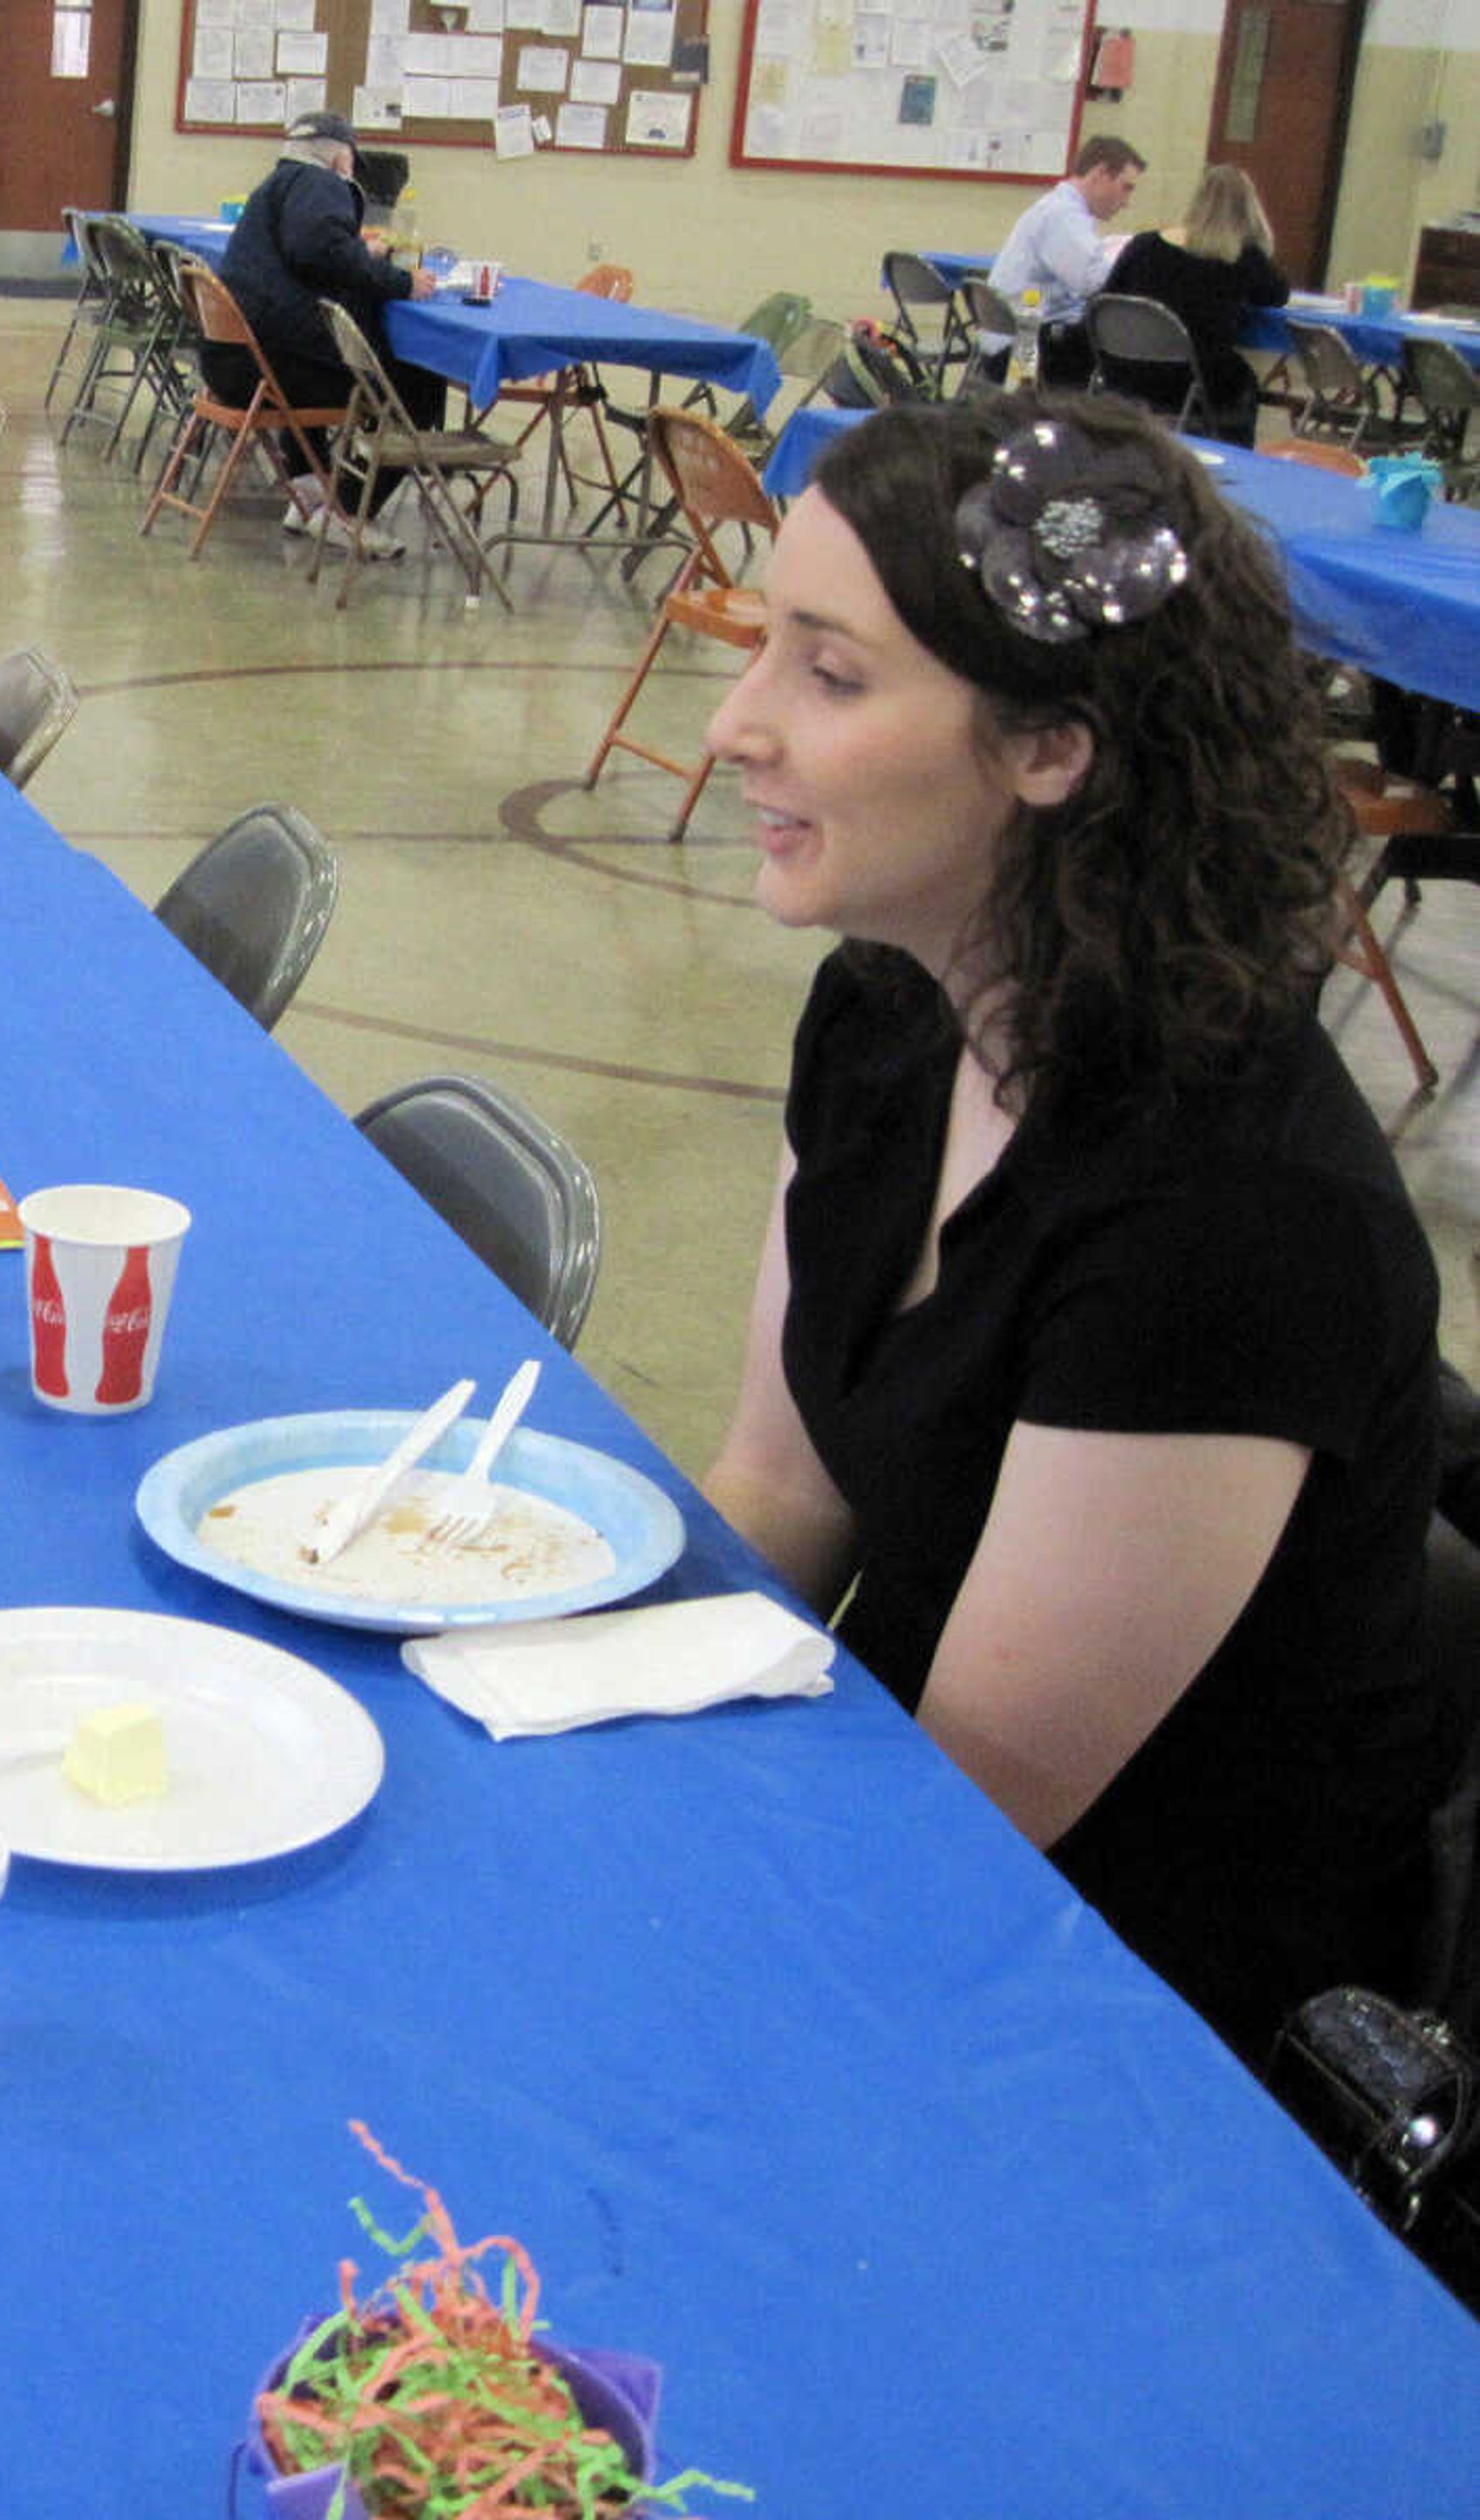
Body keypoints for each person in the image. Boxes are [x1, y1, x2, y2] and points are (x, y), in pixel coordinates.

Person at [697, 394, 1457, 2063]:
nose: (735, 725)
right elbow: (783, 1487)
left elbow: (975, 1818)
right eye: (763, 649)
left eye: (826, 674)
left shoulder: (1230, 1219)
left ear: (1053, 749)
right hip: (900, 1806)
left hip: (1138, 2010)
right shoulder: (890, 1016)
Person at [205, 107, 443, 559]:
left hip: (236, 366)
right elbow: (319, 252)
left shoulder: (278, 186)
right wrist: (400, 281)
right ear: (340, 160)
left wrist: (356, 250)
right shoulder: (321, 184)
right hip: (272, 370)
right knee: (414, 380)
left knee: (323, 351)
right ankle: (348, 512)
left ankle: (308, 493)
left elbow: (312, 249)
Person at [1100, 162, 1291, 446]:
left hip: (1124, 372)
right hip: (1192, 379)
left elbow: (1106, 299)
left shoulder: (1144, 245)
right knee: (1242, 379)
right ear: (1248, 212)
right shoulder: (1243, 257)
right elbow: (1277, 295)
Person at [980, 131, 1144, 387]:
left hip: (1015, 339)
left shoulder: (1057, 209)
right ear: (1100, 174)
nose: (1127, 202)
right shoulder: (1063, 217)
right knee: (1129, 360)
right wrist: (1133, 261)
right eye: (1126, 188)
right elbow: (1096, 284)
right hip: (1021, 353)